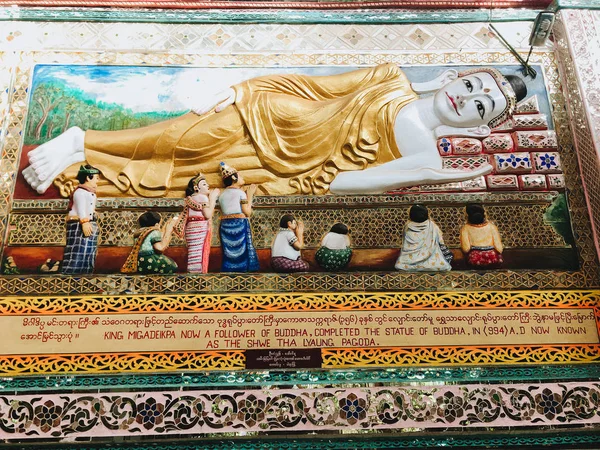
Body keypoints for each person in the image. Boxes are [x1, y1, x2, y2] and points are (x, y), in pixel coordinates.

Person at [23, 64, 526, 197]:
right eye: (475, 84)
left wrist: (428, 176)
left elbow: (349, 181)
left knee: (180, 178)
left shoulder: (425, 152)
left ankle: (81, 157)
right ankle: (81, 139)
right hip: (271, 112)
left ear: (481, 128)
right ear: (461, 76)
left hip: (279, 167)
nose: (468, 97)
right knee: (181, 138)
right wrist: (244, 89)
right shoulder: (390, 77)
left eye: (481, 106)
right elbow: (318, 84)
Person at [218, 162, 260, 272]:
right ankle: (242, 271)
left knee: (228, 252)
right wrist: (250, 195)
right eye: (240, 176)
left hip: (225, 226)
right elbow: (247, 212)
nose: (242, 178)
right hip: (239, 224)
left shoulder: (222, 195)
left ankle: (229, 270)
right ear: (234, 178)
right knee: (242, 252)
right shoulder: (240, 193)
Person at [173, 174, 219, 273]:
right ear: (196, 188)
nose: (207, 185)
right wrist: (213, 199)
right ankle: (197, 274)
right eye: (204, 184)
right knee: (199, 253)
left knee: (193, 254)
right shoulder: (202, 197)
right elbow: (207, 214)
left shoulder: (190, 199)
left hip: (190, 228)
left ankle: (192, 271)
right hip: (199, 227)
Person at [61, 164, 100, 274]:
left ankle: (86, 274)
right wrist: (84, 222)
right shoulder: (80, 192)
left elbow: (89, 208)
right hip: (79, 225)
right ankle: (73, 276)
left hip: (88, 224)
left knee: (89, 252)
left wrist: (93, 214)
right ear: (88, 177)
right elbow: (81, 209)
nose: (98, 181)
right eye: (96, 178)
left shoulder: (90, 193)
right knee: (78, 251)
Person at [395, 204, 452, 272]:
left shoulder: (407, 226)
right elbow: (441, 242)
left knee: (401, 265)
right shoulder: (433, 226)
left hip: (408, 264)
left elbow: (404, 243)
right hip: (433, 264)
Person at [460, 203, 504, 268]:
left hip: (474, 260)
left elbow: (466, 249)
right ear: (484, 214)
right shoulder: (492, 227)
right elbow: (499, 249)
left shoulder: (465, 228)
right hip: (493, 258)